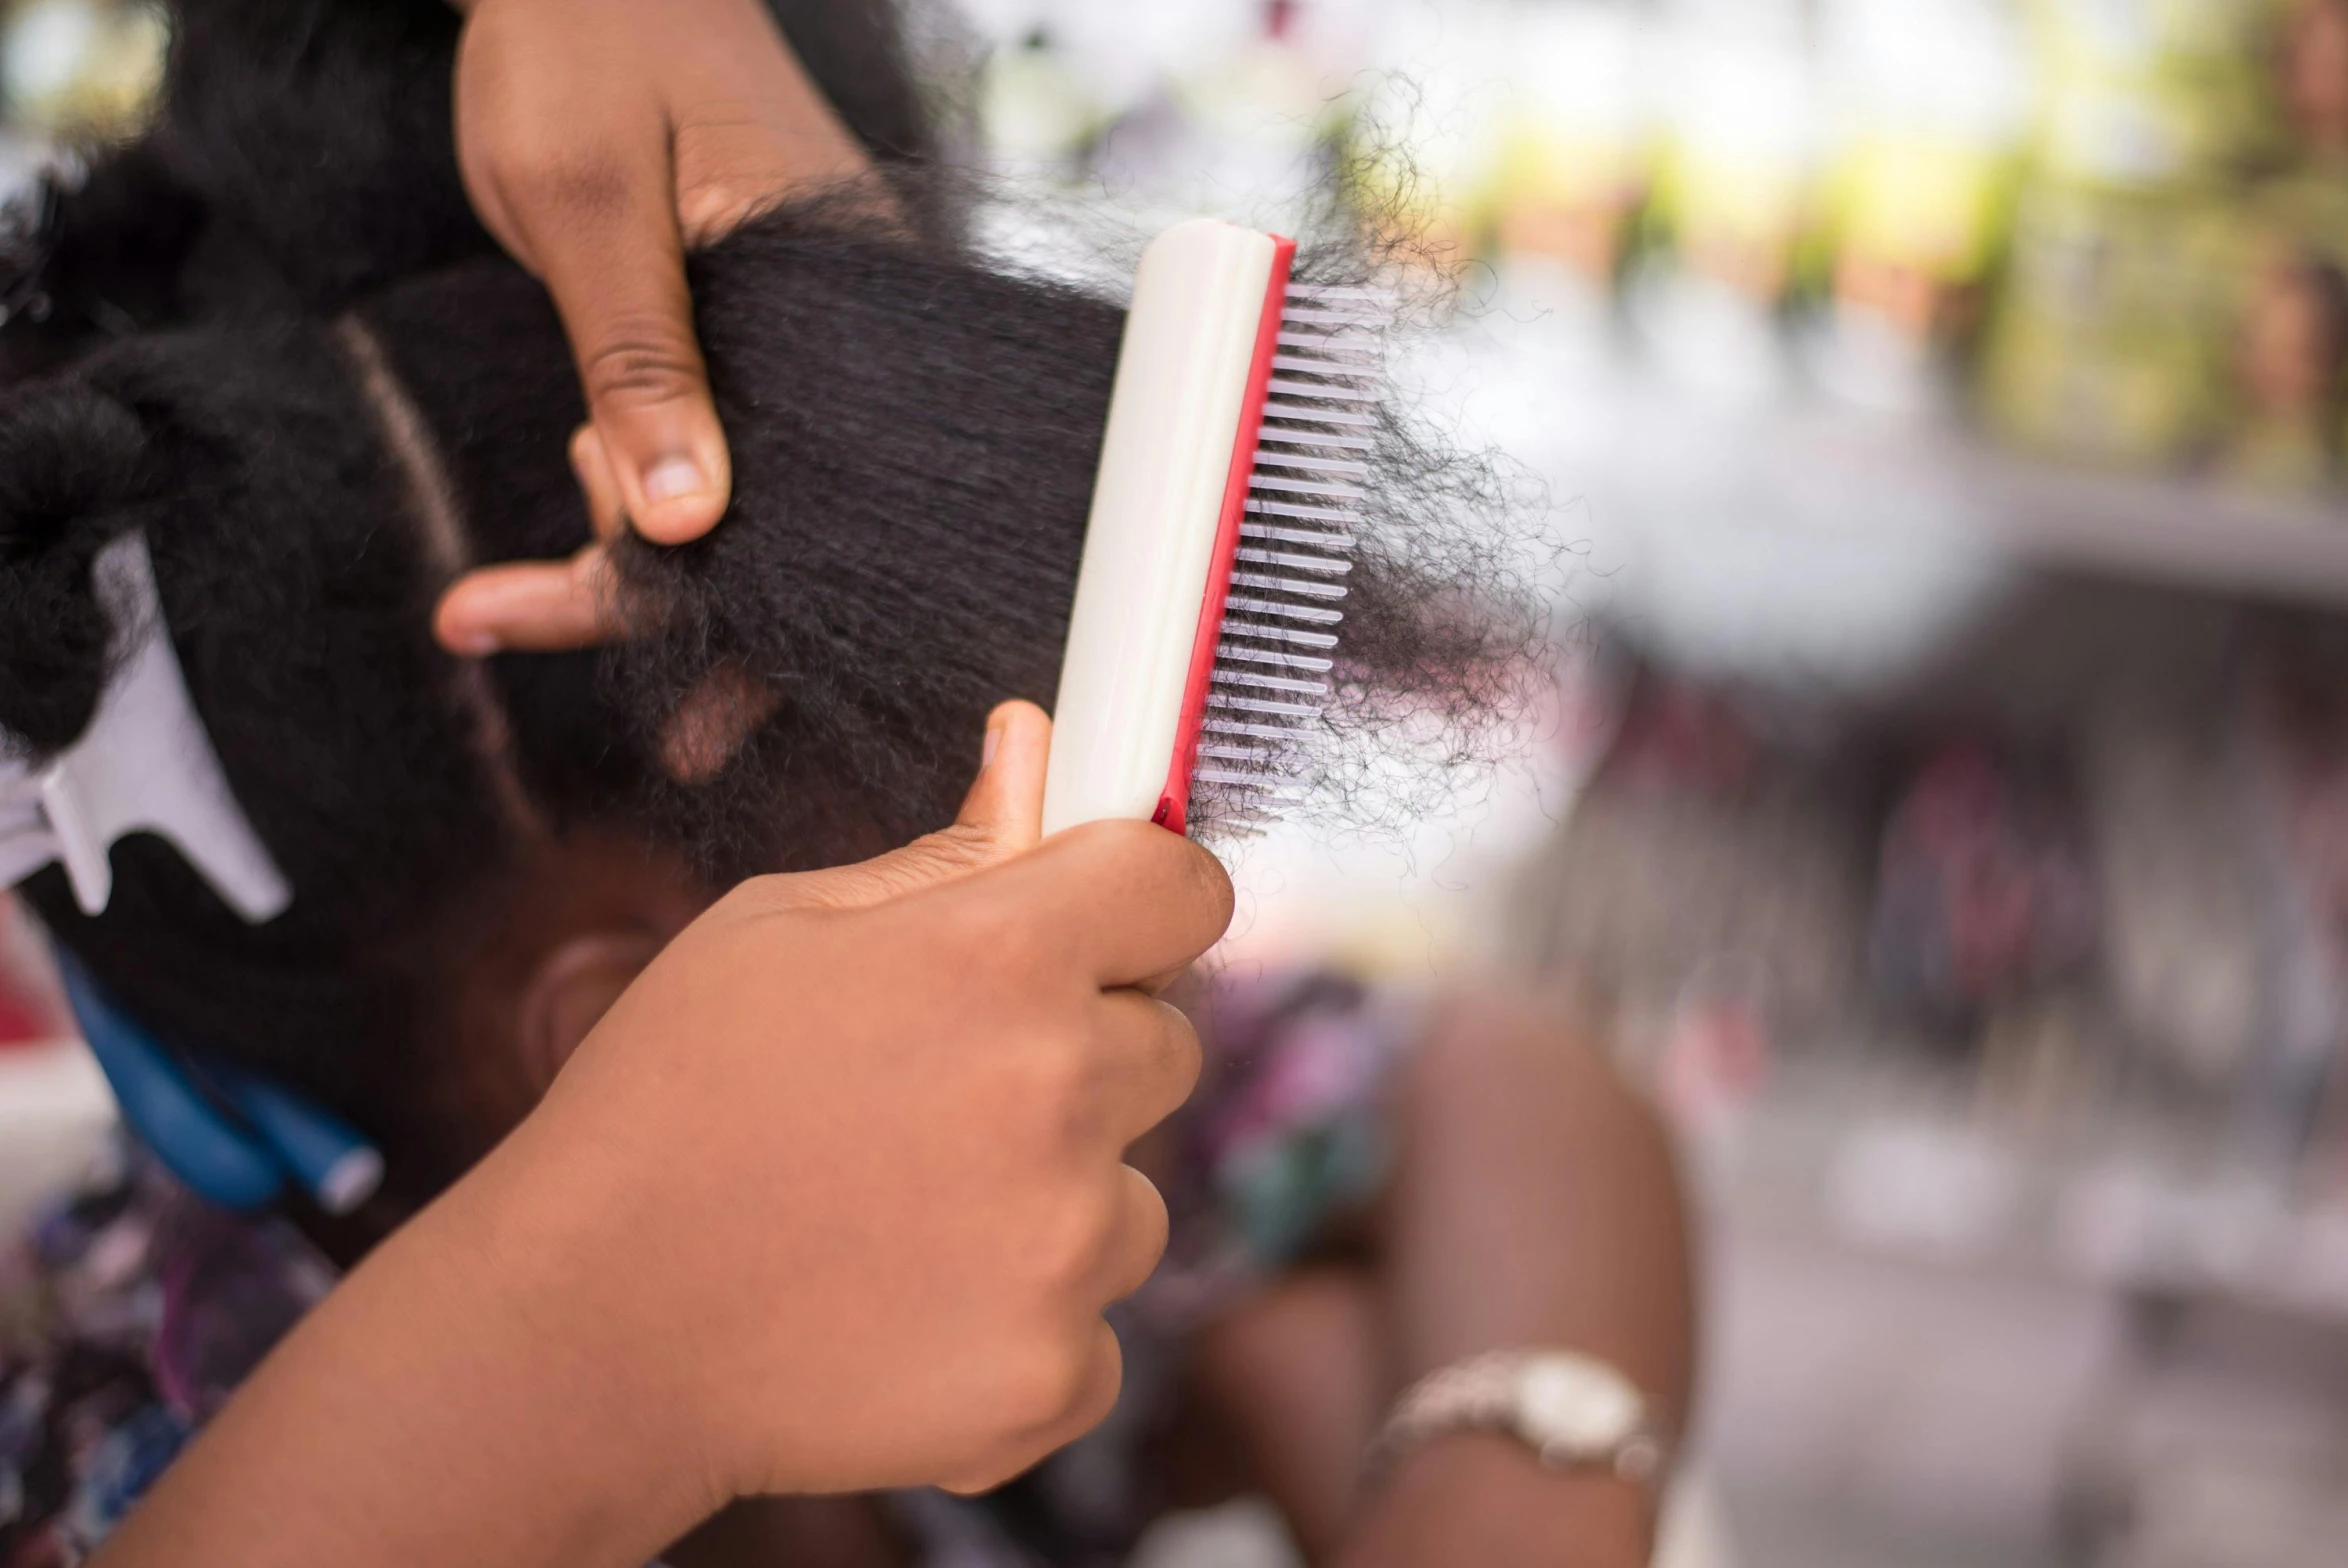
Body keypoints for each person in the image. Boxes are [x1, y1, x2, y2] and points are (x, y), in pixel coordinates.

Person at [0, 2, 1692, 1563]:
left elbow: (1489, 1074)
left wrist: (1497, 1470)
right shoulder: (131, 1453)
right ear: (607, 1034)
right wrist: (591, 1352)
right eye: (951, 781)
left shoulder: (995, 1182)